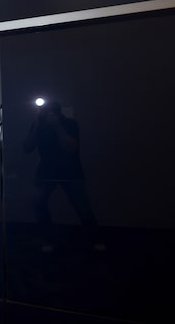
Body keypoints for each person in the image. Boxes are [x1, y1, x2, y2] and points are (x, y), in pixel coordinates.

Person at [23, 100, 103, 252]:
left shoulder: (70, 124)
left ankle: (95, 239)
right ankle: (47, 239)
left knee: (83, 208)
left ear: (59, 112)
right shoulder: (39, 125)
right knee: (39, 204)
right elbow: (27, 148)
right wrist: (36, 126)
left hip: (70, 172)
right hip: (46, 172)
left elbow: (71, 147)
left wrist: (57, 126)